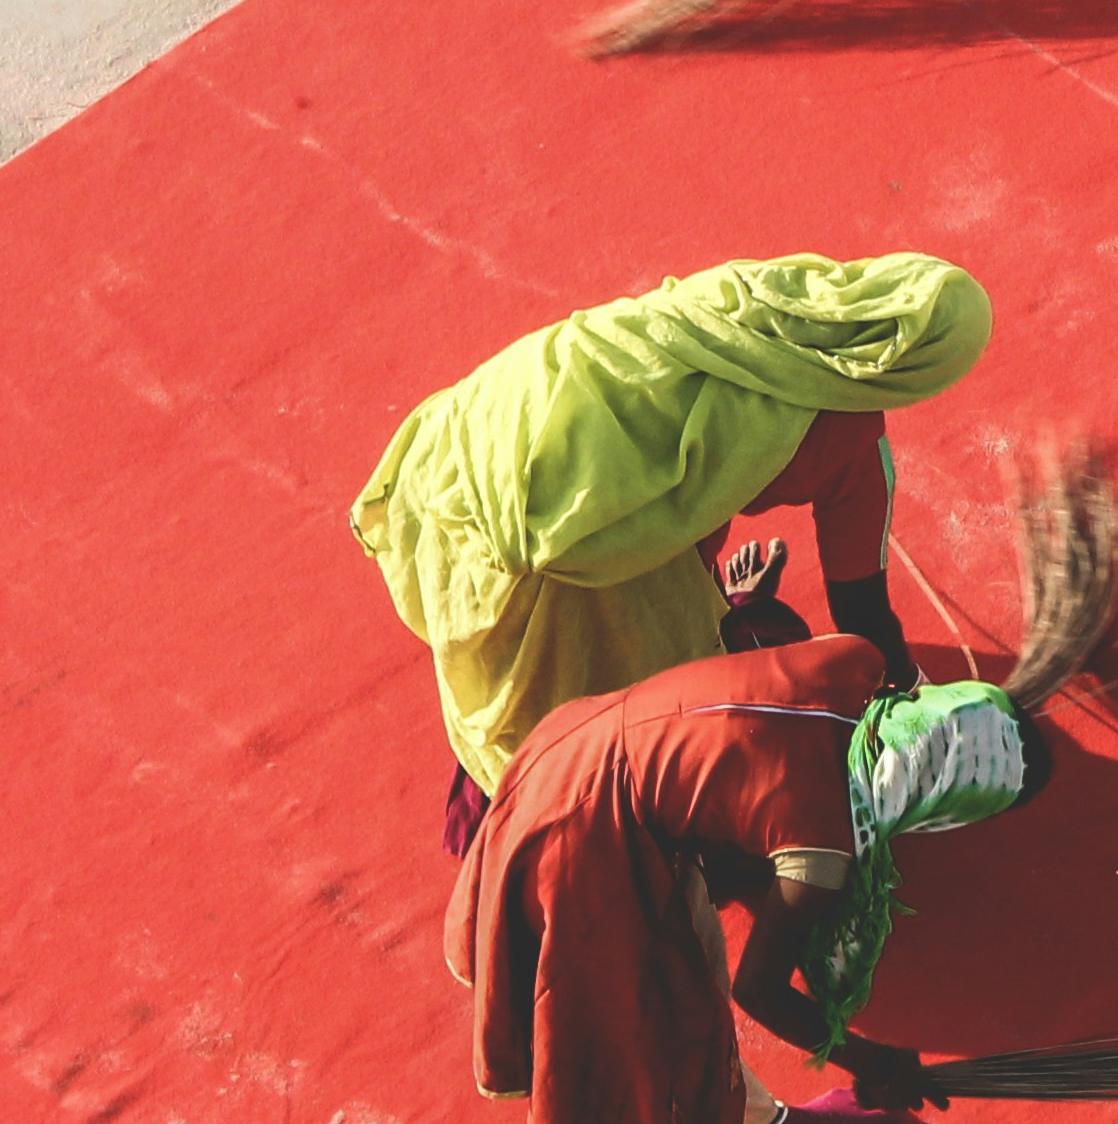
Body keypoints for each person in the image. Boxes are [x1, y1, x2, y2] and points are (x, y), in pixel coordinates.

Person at [445, 458, 1118, 1124]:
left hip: (574, 751)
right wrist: (870, 1056)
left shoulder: (849, 666)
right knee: (677, 1038)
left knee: (686, 976)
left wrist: (750, 606)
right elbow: (758, 985)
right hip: (587, 847)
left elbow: (760, 671)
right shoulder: (819, 845)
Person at [351, 253, 992, 856]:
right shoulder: (852, 439)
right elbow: (864, 620)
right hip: (551, 534)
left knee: (560, 648)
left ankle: (706, 612)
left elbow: (658, 472)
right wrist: (911, 701)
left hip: (465, 451)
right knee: (670, 724)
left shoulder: (762, 306)